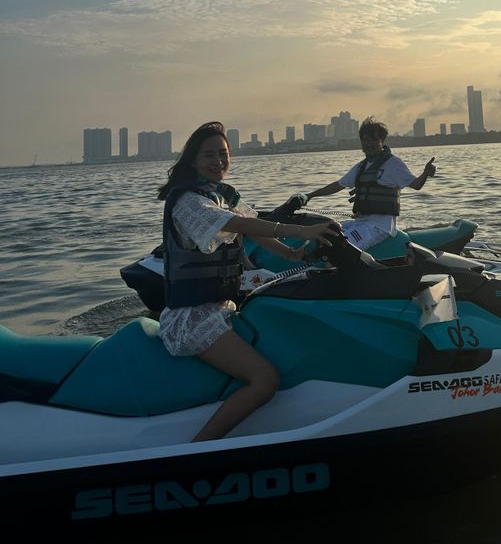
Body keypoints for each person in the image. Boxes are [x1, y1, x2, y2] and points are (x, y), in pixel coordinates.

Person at [157, 121, 338, 442]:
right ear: (193, 160)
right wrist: (300, 231)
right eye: (209, 155)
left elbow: (253, 226)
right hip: (193, 317)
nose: (218, 161)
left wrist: (294, 256)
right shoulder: (189, 201)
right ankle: (198, 450)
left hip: (220, 307)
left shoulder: (219, 195)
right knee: (264, 379)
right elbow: (234, 223)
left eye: (223, 154)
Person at [293, 117, 436, 253]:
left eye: (374, 139)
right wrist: (309, 196)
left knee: (339, 246)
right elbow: (337, 185)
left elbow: (416, 185)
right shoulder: (361, 167)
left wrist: (425, 173)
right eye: (366, 140)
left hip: (379, 227)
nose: (369, 144)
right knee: (326, 231)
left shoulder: (393, 164)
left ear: (382, 141)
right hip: (360, 223)